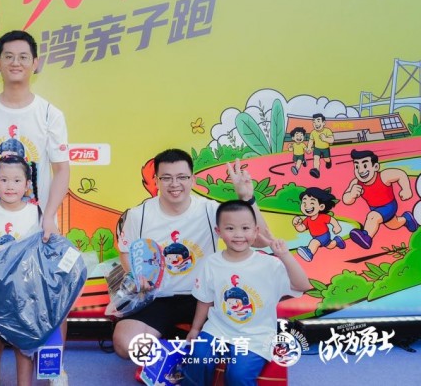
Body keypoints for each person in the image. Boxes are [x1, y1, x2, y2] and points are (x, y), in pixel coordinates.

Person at [0, 29, 70, 384]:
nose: (16, 62)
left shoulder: (49, 113)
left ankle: (55, 369)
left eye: (23, 56)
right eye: (8, 56)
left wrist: (49, 216)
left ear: (35, 63)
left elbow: (62, 169)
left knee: (49, 298)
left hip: (37, 226)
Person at [112, 149, 274, 362]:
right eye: (166, 178)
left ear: (193, 180)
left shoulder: (211, 210)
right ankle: (178, 348)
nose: (175, 184)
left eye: (182, 177)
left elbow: (262, 240)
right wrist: (136, 275)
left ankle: (179, 348)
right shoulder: (138, 215)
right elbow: (125, 250)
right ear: (157, 181)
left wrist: (247, 198)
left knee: (235, 346)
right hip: (156, 298)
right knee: (126, 344)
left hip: (204, 299)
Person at [183, 200, 312, 386]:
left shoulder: (270, 264)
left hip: (256, 336)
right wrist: (196, 329)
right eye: (230, 228)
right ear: (218, 231)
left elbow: (302, 285)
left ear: (256, 231)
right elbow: (205, 299)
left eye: (245, 228)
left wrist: (284, 255)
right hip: (217, 330)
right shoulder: (212, 263)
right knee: (198, 359)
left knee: (238, 375)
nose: (238, 235)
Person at [0, 154, 42, 386]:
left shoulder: (36, 214)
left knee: (23, 348)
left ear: (27, 184)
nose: (10, 186)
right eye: (3, 180)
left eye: (16, 180)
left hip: (24, 294)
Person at [342, 148, 417, 249]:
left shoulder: (383, 176)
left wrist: (406, 189)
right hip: (375, 208)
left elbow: (400, 174)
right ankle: (407, 219)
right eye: (357, 166)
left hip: (389, 206)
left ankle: (366, 237)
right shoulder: (356, 183)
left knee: (372, 217)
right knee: (393, 224)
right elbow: (346, 199)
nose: (361, 170)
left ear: (375, 167)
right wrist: (351, 195)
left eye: (365, 165)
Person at [292, 186, 345, 261]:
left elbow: (331, 220)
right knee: (330, 245)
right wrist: (297, 225)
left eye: (311, 203)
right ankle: (337, 241)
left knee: (314, 242)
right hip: (316, 236)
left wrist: (336, 226)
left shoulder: (322, 217)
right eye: (304, 202)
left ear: (321, 206)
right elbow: (302, 228)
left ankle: (309, 253)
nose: (307, 206)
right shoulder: (307, 219)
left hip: (323, 235)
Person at [307, 113, 334, 178]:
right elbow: (311, 140)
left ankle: (328, 161)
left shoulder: (327, 131)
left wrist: (325, 139)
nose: (316, 124)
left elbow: (332, 140)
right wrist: (309, 147)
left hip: (325, 148)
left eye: (318, 121)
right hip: (317, 148)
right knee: (316, 159)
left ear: (323, 123)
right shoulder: (313, 132)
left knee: (326, 159)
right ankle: (316, 171)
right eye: (314, 122)